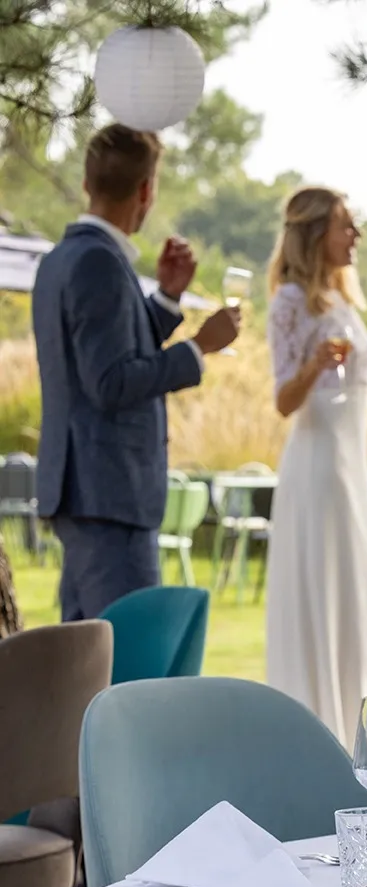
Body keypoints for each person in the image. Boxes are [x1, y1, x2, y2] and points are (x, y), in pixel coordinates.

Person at [30, 124, 240, 619]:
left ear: (88, 182)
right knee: (128, 663)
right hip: (110, 494)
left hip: (83, 490)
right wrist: (198, 348)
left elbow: (100, 353)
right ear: (146, 190)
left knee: (86, 663)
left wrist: (166, 298)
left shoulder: (62, 259)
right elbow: (110, 382)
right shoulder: (99, 263)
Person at [263, 187, 367, 747]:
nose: (355, 236)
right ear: (317, 234)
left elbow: (354, 410)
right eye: (345, 225)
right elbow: (284, 402)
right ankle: (320, 739)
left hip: (350, 470)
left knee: (359, 601)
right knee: (324, 595)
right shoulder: (289, 302)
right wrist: (314, 365)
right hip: (315, 471)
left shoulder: (342, 302)